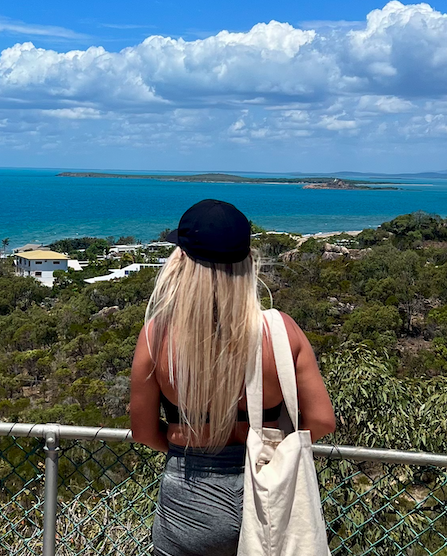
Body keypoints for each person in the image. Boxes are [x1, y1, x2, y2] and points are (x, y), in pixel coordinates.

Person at [130, 199, 336, 556]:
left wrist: (188, 452)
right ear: (247, 262)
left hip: (187, 502)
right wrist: (272, 449)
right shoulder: (280, 331)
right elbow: (321, 421)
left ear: (181, 262)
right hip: (267, 496)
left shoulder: (156, 336)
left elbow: (144, 432)